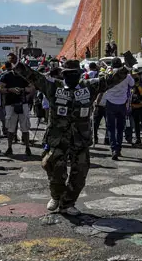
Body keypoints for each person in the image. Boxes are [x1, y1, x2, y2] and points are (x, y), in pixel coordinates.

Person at [13, 53, 135, 215]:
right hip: (58, 139)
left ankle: (68, 203)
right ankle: (56, 196)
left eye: (74, 74)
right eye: (67, 74)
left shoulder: (89, 86)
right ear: (63, 75)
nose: (71, 77)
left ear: (79, 74)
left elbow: (109, 80)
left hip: (80, 139)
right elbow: (34, 76)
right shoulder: (53, 86)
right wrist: (17, 65)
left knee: (80, 173)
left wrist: (126, 68)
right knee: (54, 169)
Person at [102, 57, 133, 160]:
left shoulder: (109, 74)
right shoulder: (127, 76)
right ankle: (118, 148)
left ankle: (113, 149)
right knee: (120, 128)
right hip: (122, 104)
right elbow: (132, 84)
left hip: (110, 102)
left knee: (111, 128)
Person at [0, 62, 34, 157]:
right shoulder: (6, 76)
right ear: (14, 69)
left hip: (23, 103)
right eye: (18, 70)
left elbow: (31, 87)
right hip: (10, 104)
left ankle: (27, 147)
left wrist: (23, 90)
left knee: (25, 127)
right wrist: (10, 90)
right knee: (11, 127)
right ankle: (9, 147)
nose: (19, 72)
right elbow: (1, 88)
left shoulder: (24, 76)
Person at [127, 68, 142, 146]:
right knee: (135, 125)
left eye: (137, 74)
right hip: (133, 107)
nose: (135, 76)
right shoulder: (131, 83)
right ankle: (138, 139)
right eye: (134, 74)